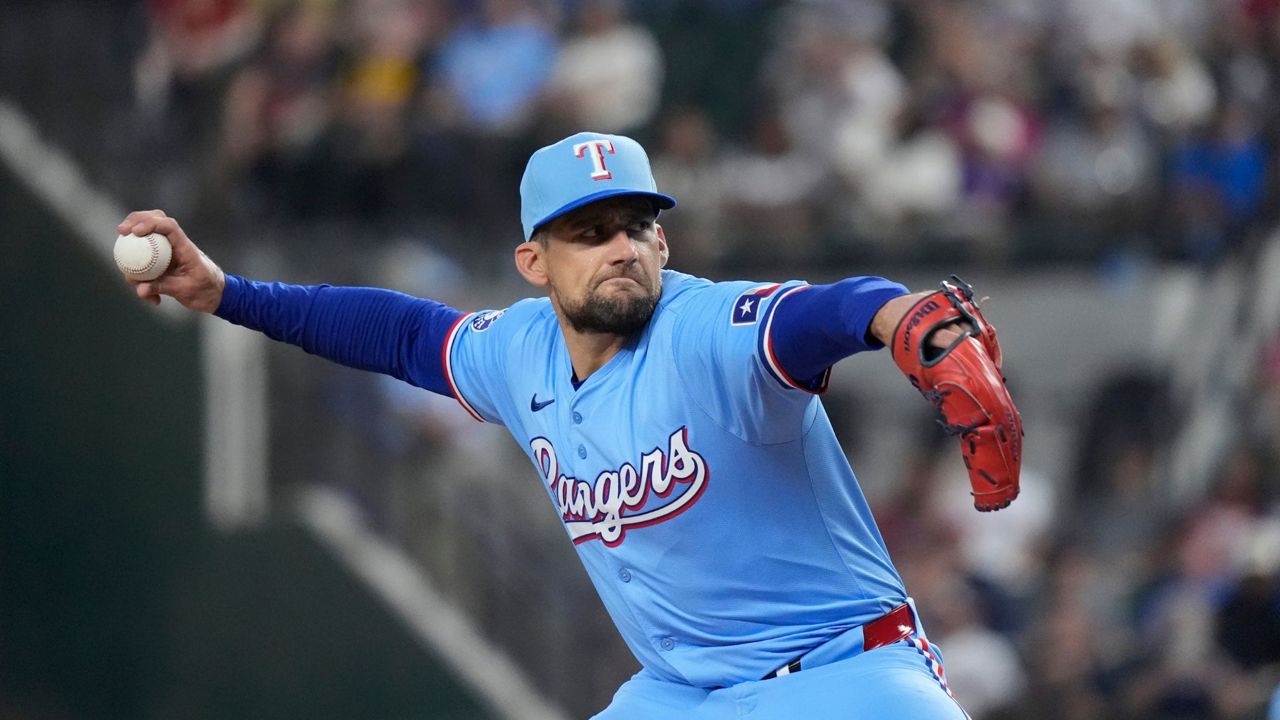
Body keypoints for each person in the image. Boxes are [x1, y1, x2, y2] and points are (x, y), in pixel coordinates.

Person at [119, 131, 1020, 719]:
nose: (622, 246)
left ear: (664, 243)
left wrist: (907, 321)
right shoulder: (519, 354)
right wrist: (230, 294)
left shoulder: (707, 330)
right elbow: (397, 332)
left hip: (844, 679)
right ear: (533, 262)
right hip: (681, 695)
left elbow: (823, 313)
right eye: (589, 232)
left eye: (636, 225)